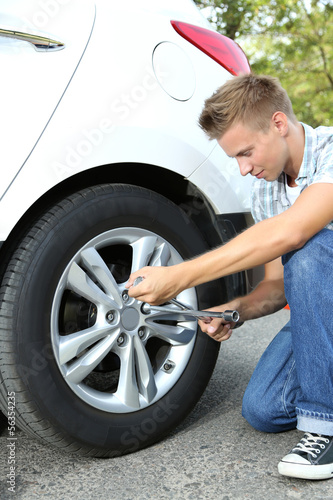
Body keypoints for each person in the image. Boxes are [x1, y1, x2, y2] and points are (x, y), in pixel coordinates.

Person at [126, 74, 333, 480]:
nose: (242, 170)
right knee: (264, 409)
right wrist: (235, 309)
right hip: (320, 317)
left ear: (278, 124)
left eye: (246, 153)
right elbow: (276, 286)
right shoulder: (266, 190)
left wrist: (179, 277)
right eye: (234, 158)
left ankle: (323, 428)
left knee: (309, 252)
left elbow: (291, 233)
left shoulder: (331, 151)